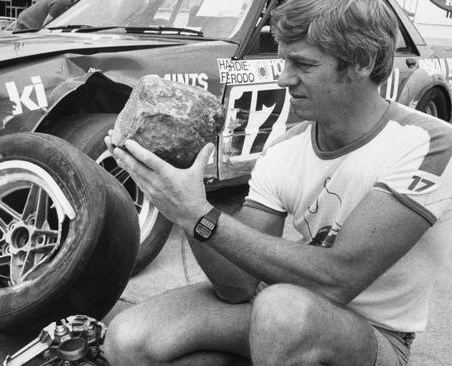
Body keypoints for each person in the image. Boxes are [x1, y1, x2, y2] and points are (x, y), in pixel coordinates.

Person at [103, 0, 452, 365]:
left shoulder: (429, 143)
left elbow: (339, 276)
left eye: (303, 64)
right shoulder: (286, 146)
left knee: (281, 311)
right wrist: (185, 209)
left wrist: (202, 215)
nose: (284, 77)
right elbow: (236, 285)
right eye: (285, 60)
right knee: (128, 339)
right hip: (284, 311)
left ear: (362, 63)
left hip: (374, 336)